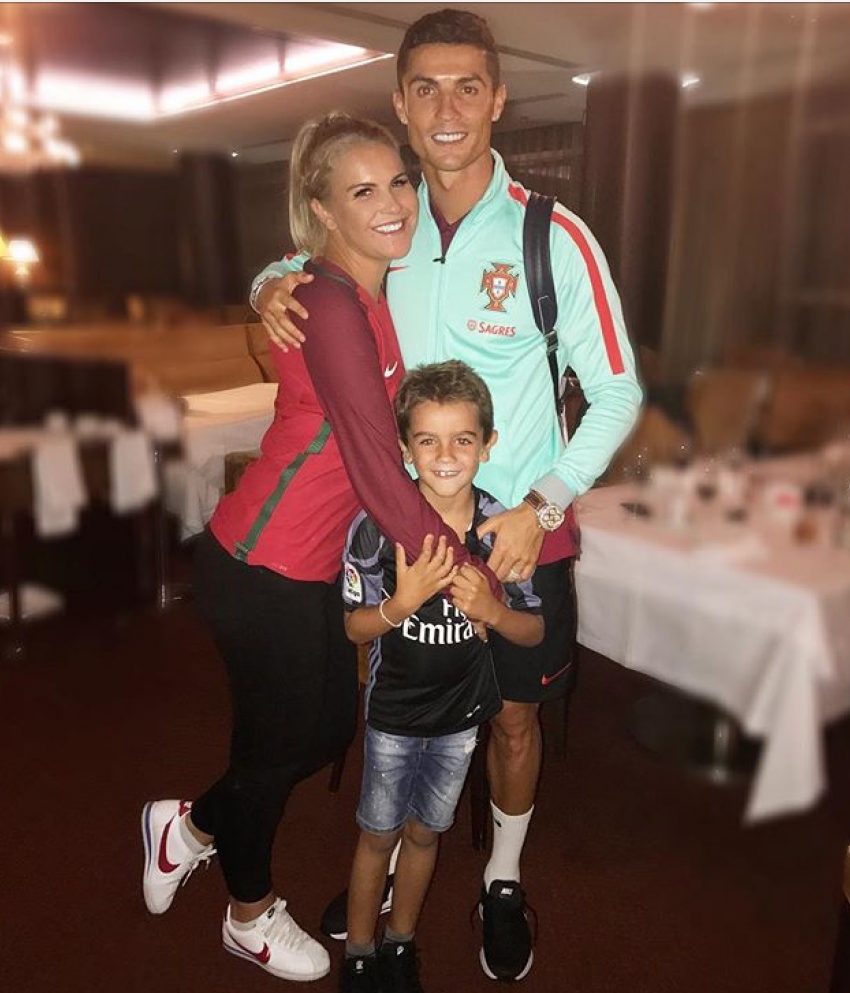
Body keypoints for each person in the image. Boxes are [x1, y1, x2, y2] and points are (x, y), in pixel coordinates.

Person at [251, 9, 643, 982]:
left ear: (498, 97)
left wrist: (542, 505)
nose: (447, 109)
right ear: (400, 103)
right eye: (425, 88)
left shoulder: (553, 235)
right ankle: (386, 864)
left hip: (518, 532)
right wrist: (267, 282)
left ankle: (502, 877)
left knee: (513, 720)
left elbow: (618, 391)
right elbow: (313, 263)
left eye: (468, 85)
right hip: (402, 530)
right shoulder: (388, 222)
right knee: (395, 704)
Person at [140, 112, 499, 983]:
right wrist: (463, 570)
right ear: (323, 209)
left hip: (308, 566)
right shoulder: (332, 302)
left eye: (398, 182)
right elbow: (376, 463)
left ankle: (187, 825)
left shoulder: (366, 291)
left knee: (325, 727)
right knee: (273, 751)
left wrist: (271, 276)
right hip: (262, 563)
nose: (393, 202)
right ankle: (248, 913)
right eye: (362, 190)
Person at [339, 360, 544, 993]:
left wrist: (494, 611)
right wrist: (402, 603)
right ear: (405, 449)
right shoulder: (378, 527)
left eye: (462, 439)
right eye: (428, 440)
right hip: (394, 717)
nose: (446, 456)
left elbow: (533, 632)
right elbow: (354, 628)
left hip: (459, 722)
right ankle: (360, 955)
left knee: (426, 835)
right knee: (378, 839)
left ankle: (400, 943)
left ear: (488, 444)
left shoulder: (500, 531)